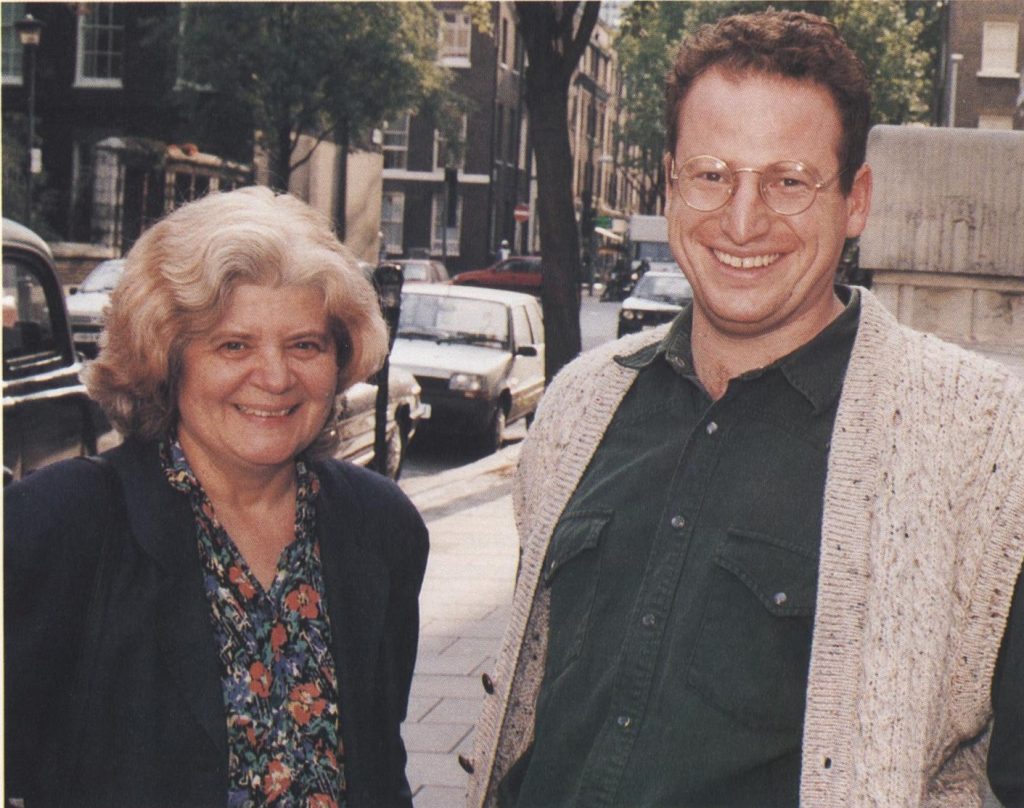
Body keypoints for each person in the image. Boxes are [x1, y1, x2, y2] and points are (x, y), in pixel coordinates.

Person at [467, 11, 1024, 808]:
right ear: (669, 184)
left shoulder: (982, 445)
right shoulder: (580, 409)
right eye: (712, 174)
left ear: (856, 201)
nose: (741, 220)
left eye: (788, 181)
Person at [4, 187, 429, 808]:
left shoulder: (380, 525)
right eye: (235, 345)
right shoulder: (61, 525)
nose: (276, 376)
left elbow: (378, 759)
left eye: (304, 344)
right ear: (166, 359)